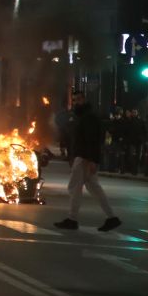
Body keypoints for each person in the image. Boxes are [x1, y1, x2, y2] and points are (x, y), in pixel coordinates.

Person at [55, 90, 120, 231]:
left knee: (74, 187)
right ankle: (112, 217)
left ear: (84, 99)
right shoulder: (81, 116)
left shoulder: (88, 117)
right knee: (94, 188)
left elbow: (92, 140)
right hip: (83, 156)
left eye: (78, 99)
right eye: (74, 100)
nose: (76, 102)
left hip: (84, 157)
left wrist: (92, 160)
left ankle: (72, 219)